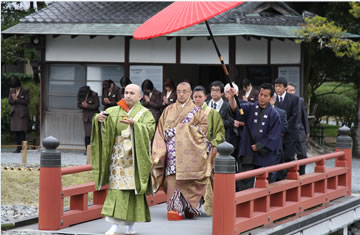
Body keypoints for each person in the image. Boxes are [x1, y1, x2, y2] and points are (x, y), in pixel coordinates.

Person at [91, 84, 156, 235]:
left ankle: (131, 225)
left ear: (139, 96)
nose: (128, 95)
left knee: (134, 192)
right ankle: (114, 225)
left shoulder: (145, 113)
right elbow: (103, 123)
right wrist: (99, 119)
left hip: (135, 158)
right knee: (117, 190)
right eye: (126, 92)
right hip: (118, 158)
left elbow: (149, 130)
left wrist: (135, 125)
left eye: (132, 93)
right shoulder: (113, 110)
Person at [152, 82, 209, 220]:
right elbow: (160, 131)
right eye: (179, 91)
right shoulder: (168, 110)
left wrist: (178, 131)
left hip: (191, 152)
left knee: (190, 179)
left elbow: (203, 131)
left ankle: (190, 206)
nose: (181, 94)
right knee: (172, 179)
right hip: (171, 153)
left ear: (190, 93)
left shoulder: (199, 112)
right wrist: (159, 150)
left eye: (184, 91)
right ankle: (174, 208)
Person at [228, 83, 282, 190]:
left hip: (264, 154)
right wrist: (232, 97)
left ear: (271, 98)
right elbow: (235, 109)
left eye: (265, 96)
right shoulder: (250, 107)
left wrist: (260, 146)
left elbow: (274, 136)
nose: (262, 98)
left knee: (264, 183)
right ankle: (243, 206)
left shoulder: (274, 114)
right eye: (260, 94)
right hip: (248, 151)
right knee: (244, 182)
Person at [192, 85, 225, 215]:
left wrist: (212, 144)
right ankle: (194, 205)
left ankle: (212, 205)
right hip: (193, 150)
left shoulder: (212, 113)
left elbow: (220, 133)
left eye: (200, 97)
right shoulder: (189, 113)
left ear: (206, 97)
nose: (198, 99)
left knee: (209, 177)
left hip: (209, 150)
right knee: (193, 178)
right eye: (195, 97)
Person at [274, 78, 299, 179]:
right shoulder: (272, 99)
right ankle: (278, 178)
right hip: (276, 133)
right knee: (278, 157)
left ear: (285, 87)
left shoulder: (293, 99)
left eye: (280, 86)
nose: (278, 88)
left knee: (288, 156)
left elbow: (294, 115)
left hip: (289, 133)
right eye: (276, 86)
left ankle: (288, 177)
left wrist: (284, 128)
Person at [287, 83, 310, 175]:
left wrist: (307, 131)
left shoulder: (300, 100)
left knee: (303, 155)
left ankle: (302, 173)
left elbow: (304, 117)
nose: (292, 92)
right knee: (289, 156)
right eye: (290, 90)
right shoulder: (282, 101)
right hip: (288, 132)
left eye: (293, 90)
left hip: (299, 131)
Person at [8, 77, 30, 153]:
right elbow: (9, 102)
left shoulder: (25, 90)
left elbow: (26, 101)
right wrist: (13, 99)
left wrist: (17, 99)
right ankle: (18, 148)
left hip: (22, 113)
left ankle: (23, 149)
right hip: (14, 113)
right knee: (16, 131)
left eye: (16, 87)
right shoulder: (12, 91)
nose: (15, 88)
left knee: (22, 131)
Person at [77, 86, 99, 154]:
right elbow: (78, 105)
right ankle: (87, 150)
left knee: (95, 134)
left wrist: (88, 106)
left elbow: (97, 105)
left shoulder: (94, 94)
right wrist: (82, 105)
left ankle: (95, 149)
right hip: (86, 117)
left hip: (94, 116)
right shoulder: (81, 95)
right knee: (87, 134)